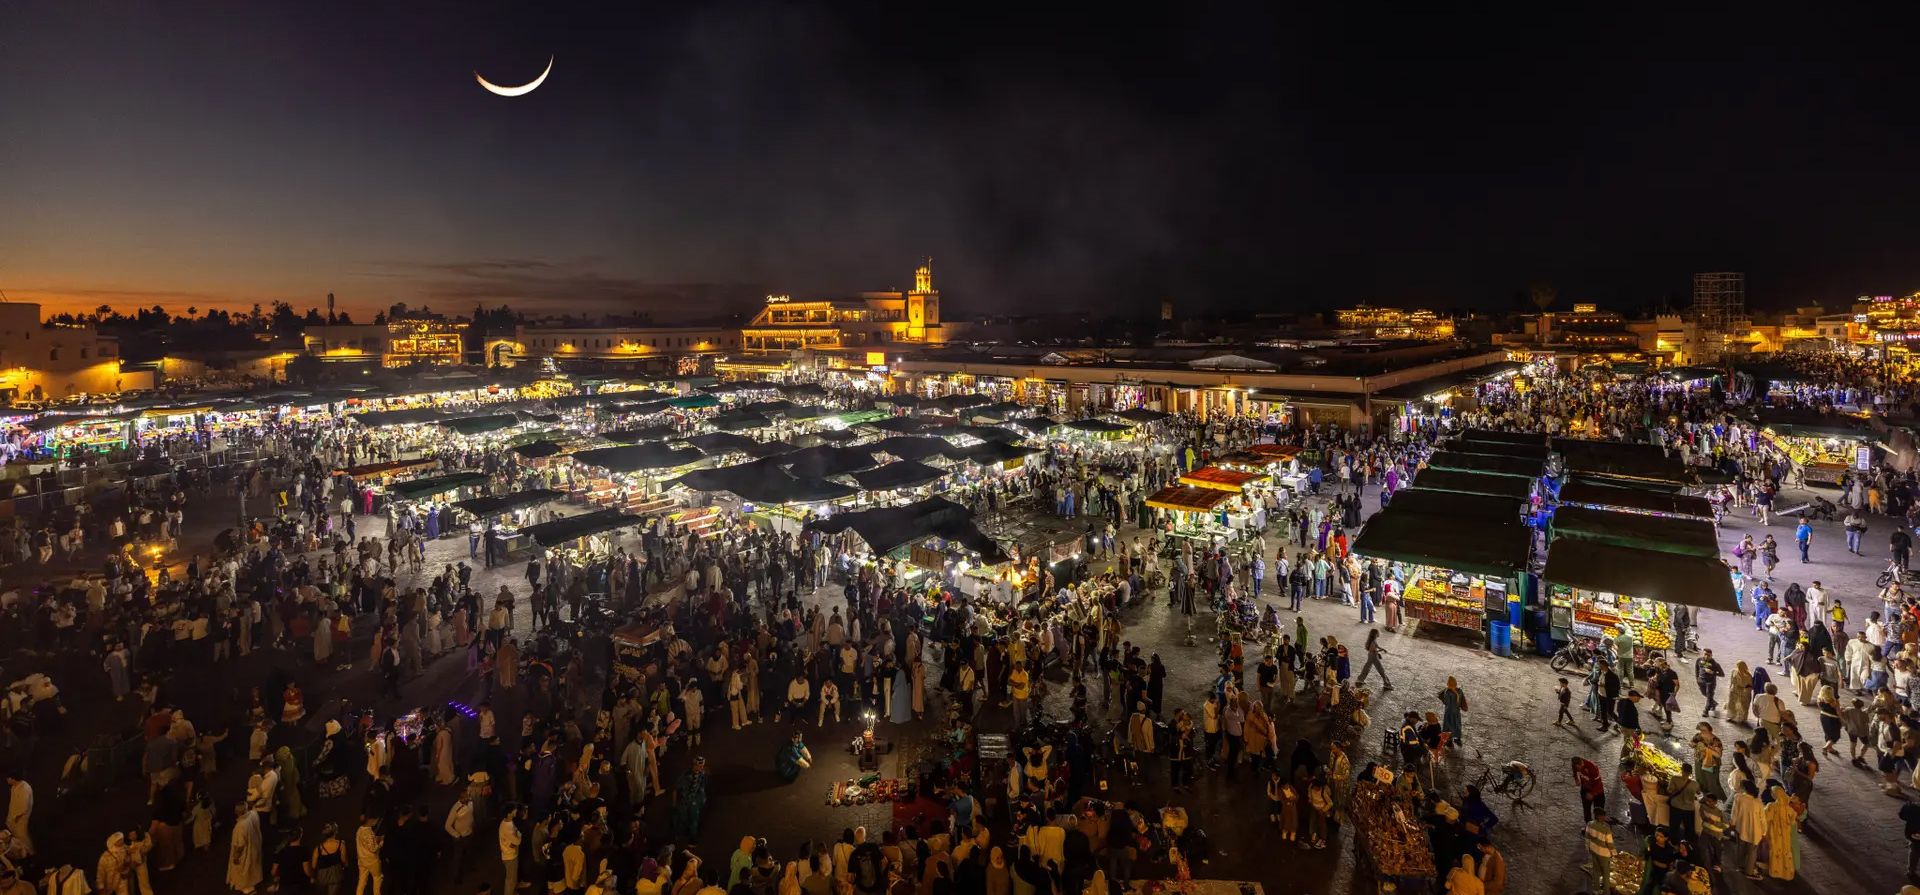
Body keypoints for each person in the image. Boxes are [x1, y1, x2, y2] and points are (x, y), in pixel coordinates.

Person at [229, 803, 264, 895]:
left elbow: (240, 845)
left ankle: (248, 889)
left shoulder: (240, 826)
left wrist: (236, 857)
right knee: (252, 869)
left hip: (245, 853)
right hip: (254, 849)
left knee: (243, 872)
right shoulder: (253, 815)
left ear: (237, 812)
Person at [1695, 649, 1724, 717]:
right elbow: (1697, 669)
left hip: (1710, 682)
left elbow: (1722, 674)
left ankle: (1706, 711)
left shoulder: (1715, 664)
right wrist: (1697, 678)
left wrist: (1713, 672)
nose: (1706, 656)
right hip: (1701, 681)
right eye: (1705, 654)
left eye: (1708, 655)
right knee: (1704, 693)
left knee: (1709, 696)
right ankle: (1713, 703)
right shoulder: (1699, 660)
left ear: (1711, 656)